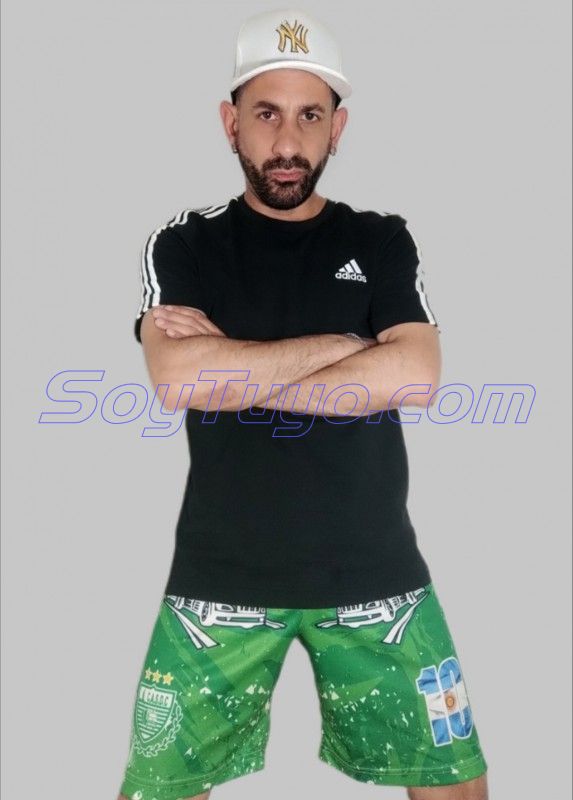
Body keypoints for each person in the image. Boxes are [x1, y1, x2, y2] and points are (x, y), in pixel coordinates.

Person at [117, 7, 489, 800]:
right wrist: (347, 345)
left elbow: (414, 376)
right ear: (231, 123)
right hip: (219, 576)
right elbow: (178, 381)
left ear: (336, 128)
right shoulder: (183, 244)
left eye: (309, 116)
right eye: (266, 114)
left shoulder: (380, 239)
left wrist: (235, 369)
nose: (287, 142)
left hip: (374, 573)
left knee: (455, 788)